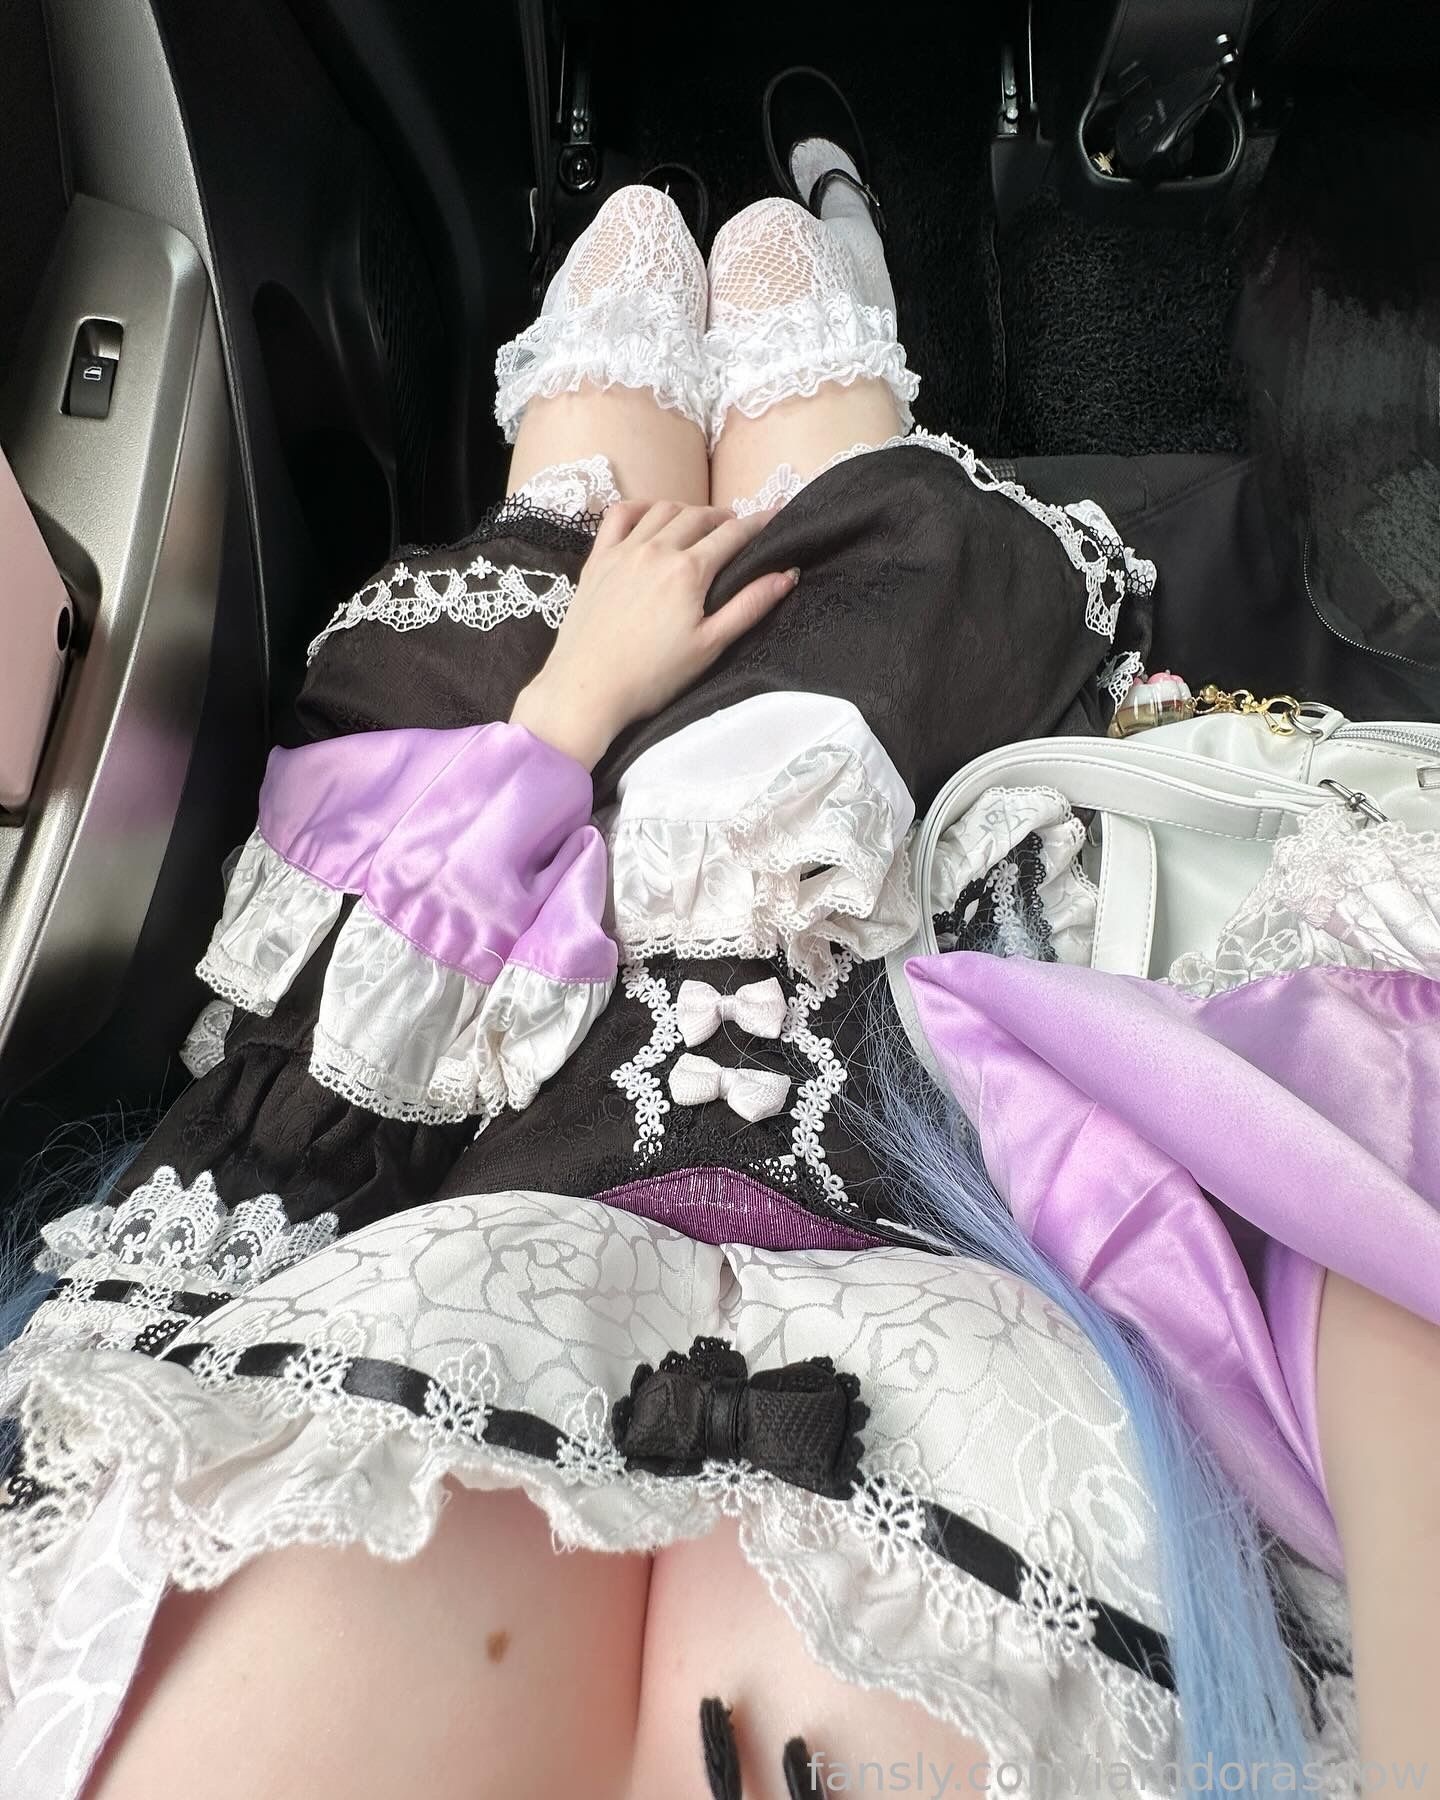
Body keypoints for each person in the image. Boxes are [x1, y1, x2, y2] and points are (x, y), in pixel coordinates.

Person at [3, 67, 1422, 1800]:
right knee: (774, 305)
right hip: (910, 874)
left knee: (628, 279)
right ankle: (830, 236)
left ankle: (713, 233)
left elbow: (321, 1097)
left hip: (494, 949)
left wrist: (565, 717)